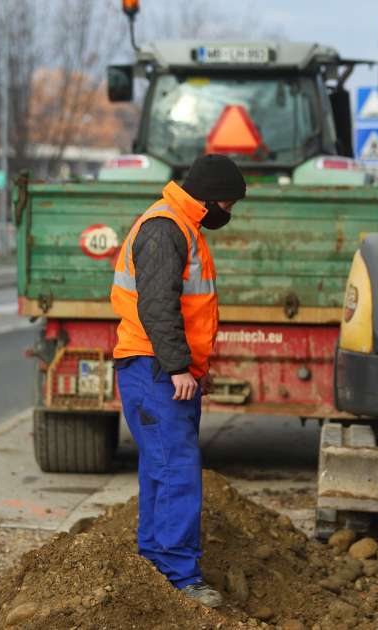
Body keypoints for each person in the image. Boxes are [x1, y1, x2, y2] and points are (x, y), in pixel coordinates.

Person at [109, 153, 245, 608]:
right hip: (152, 368)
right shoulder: (166, 228)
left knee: (161, 469)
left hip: (154, 367)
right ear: (208, 199)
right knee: (175, 472)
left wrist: (190, 368)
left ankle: (156, 565)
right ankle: (178, 576)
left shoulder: (180, 225)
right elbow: (157, 305)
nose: (228, 213)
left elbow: (184, 308)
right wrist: (177, 367)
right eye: (226, 204)